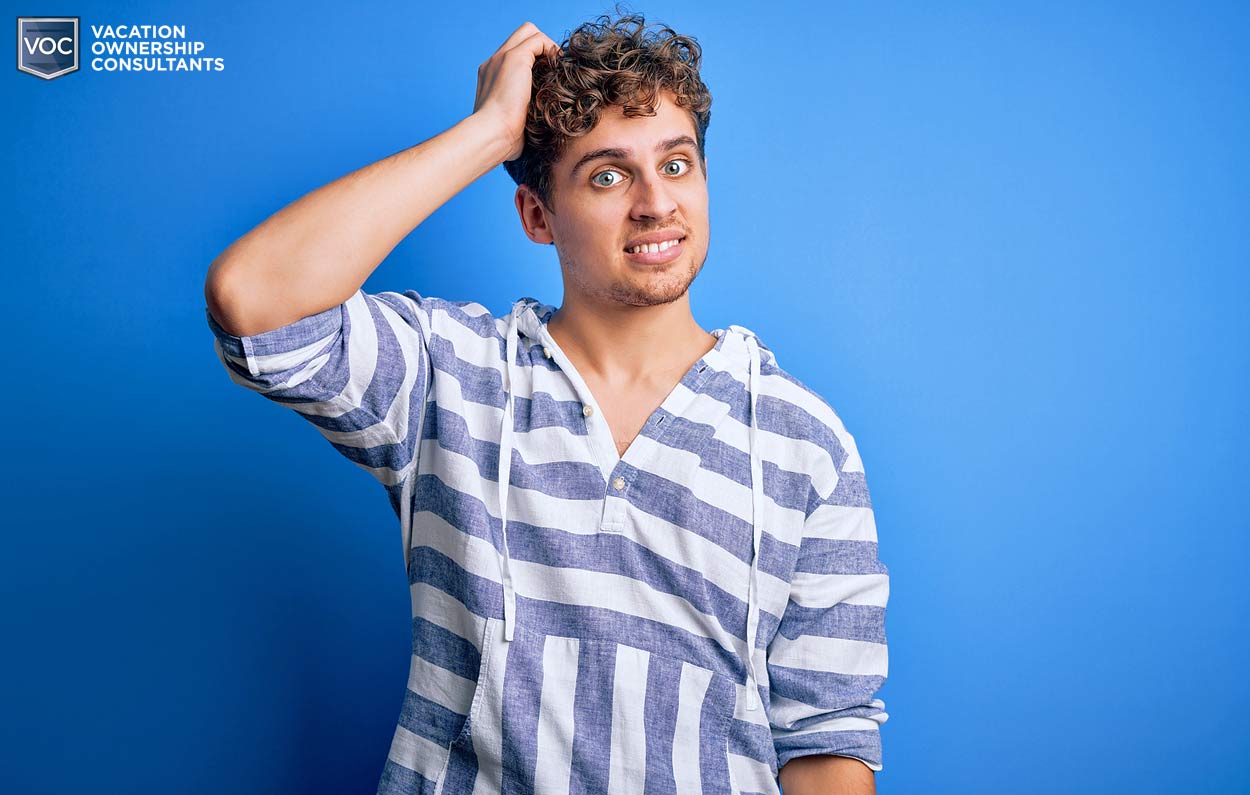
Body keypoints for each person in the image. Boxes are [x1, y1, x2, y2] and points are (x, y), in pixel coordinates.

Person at [204, 10, 889, 795]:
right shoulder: (447, 374)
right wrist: (490, 135)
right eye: (606, 174)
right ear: (537, 215)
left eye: (677, 164)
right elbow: (252, 300)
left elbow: (827, 743)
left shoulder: (806, 442)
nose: (654, 203)